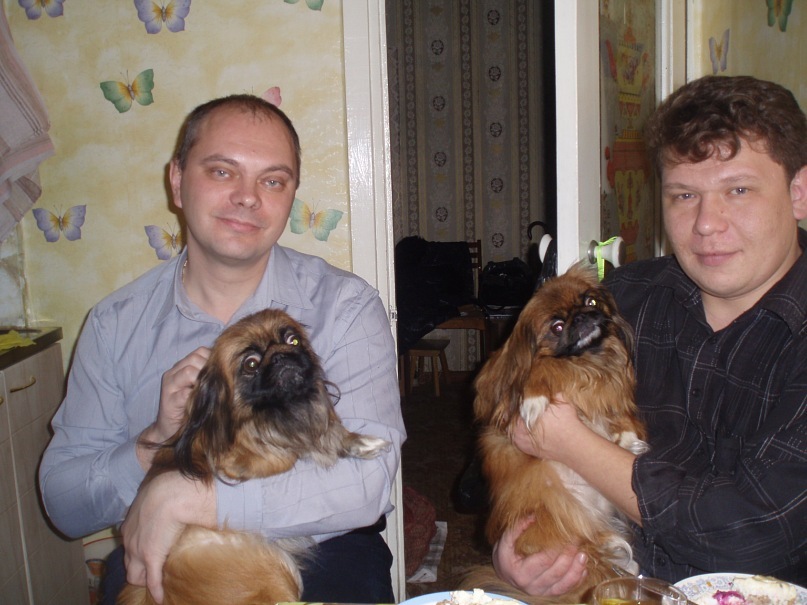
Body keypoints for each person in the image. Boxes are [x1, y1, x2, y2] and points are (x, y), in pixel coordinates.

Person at [38, 95, 405, 605]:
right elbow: (64, 504)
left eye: (272, 181)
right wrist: (152, 444)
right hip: (171, 551)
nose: (248, 197)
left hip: (326, 545)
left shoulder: (345, 306)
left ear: (290, 197)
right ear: (176, 181)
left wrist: (190, 496)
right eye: (222, 171)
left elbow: (369, 480)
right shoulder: (114, 325)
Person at [492, 74, 807, 594]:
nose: (706, 223)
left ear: (798, 193)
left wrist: (571, 443)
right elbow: (508, 427)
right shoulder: (622, 298)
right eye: (684, 195)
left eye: (738, 190)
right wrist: (519, 546)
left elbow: (752, 529)